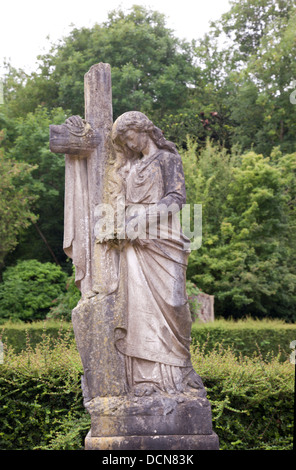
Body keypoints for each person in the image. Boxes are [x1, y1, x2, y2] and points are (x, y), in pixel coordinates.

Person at [101, 111, 206, 397]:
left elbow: (175, 199)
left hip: (165, 238)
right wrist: (116, 226)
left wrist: (139, 221)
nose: (128, 144)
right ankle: (146, 379)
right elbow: (117, 199)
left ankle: (181, 369)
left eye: (128, 136)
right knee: (139, 308)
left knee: (174, 302)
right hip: (137, 245)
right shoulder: (131, 166)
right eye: (122, 140)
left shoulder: (168, 159)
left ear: (141, 128)